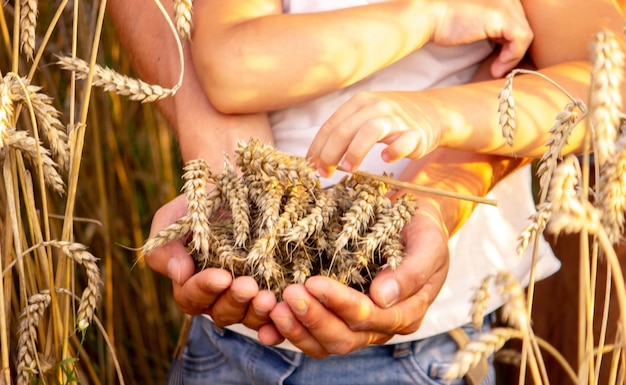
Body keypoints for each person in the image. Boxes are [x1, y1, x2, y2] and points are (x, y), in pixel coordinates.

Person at [108, 1, 624, 385]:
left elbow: (598, 73)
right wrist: (427, 14)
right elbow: (231, 62)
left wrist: (438, 131)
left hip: (422, 349)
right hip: (227, 329)